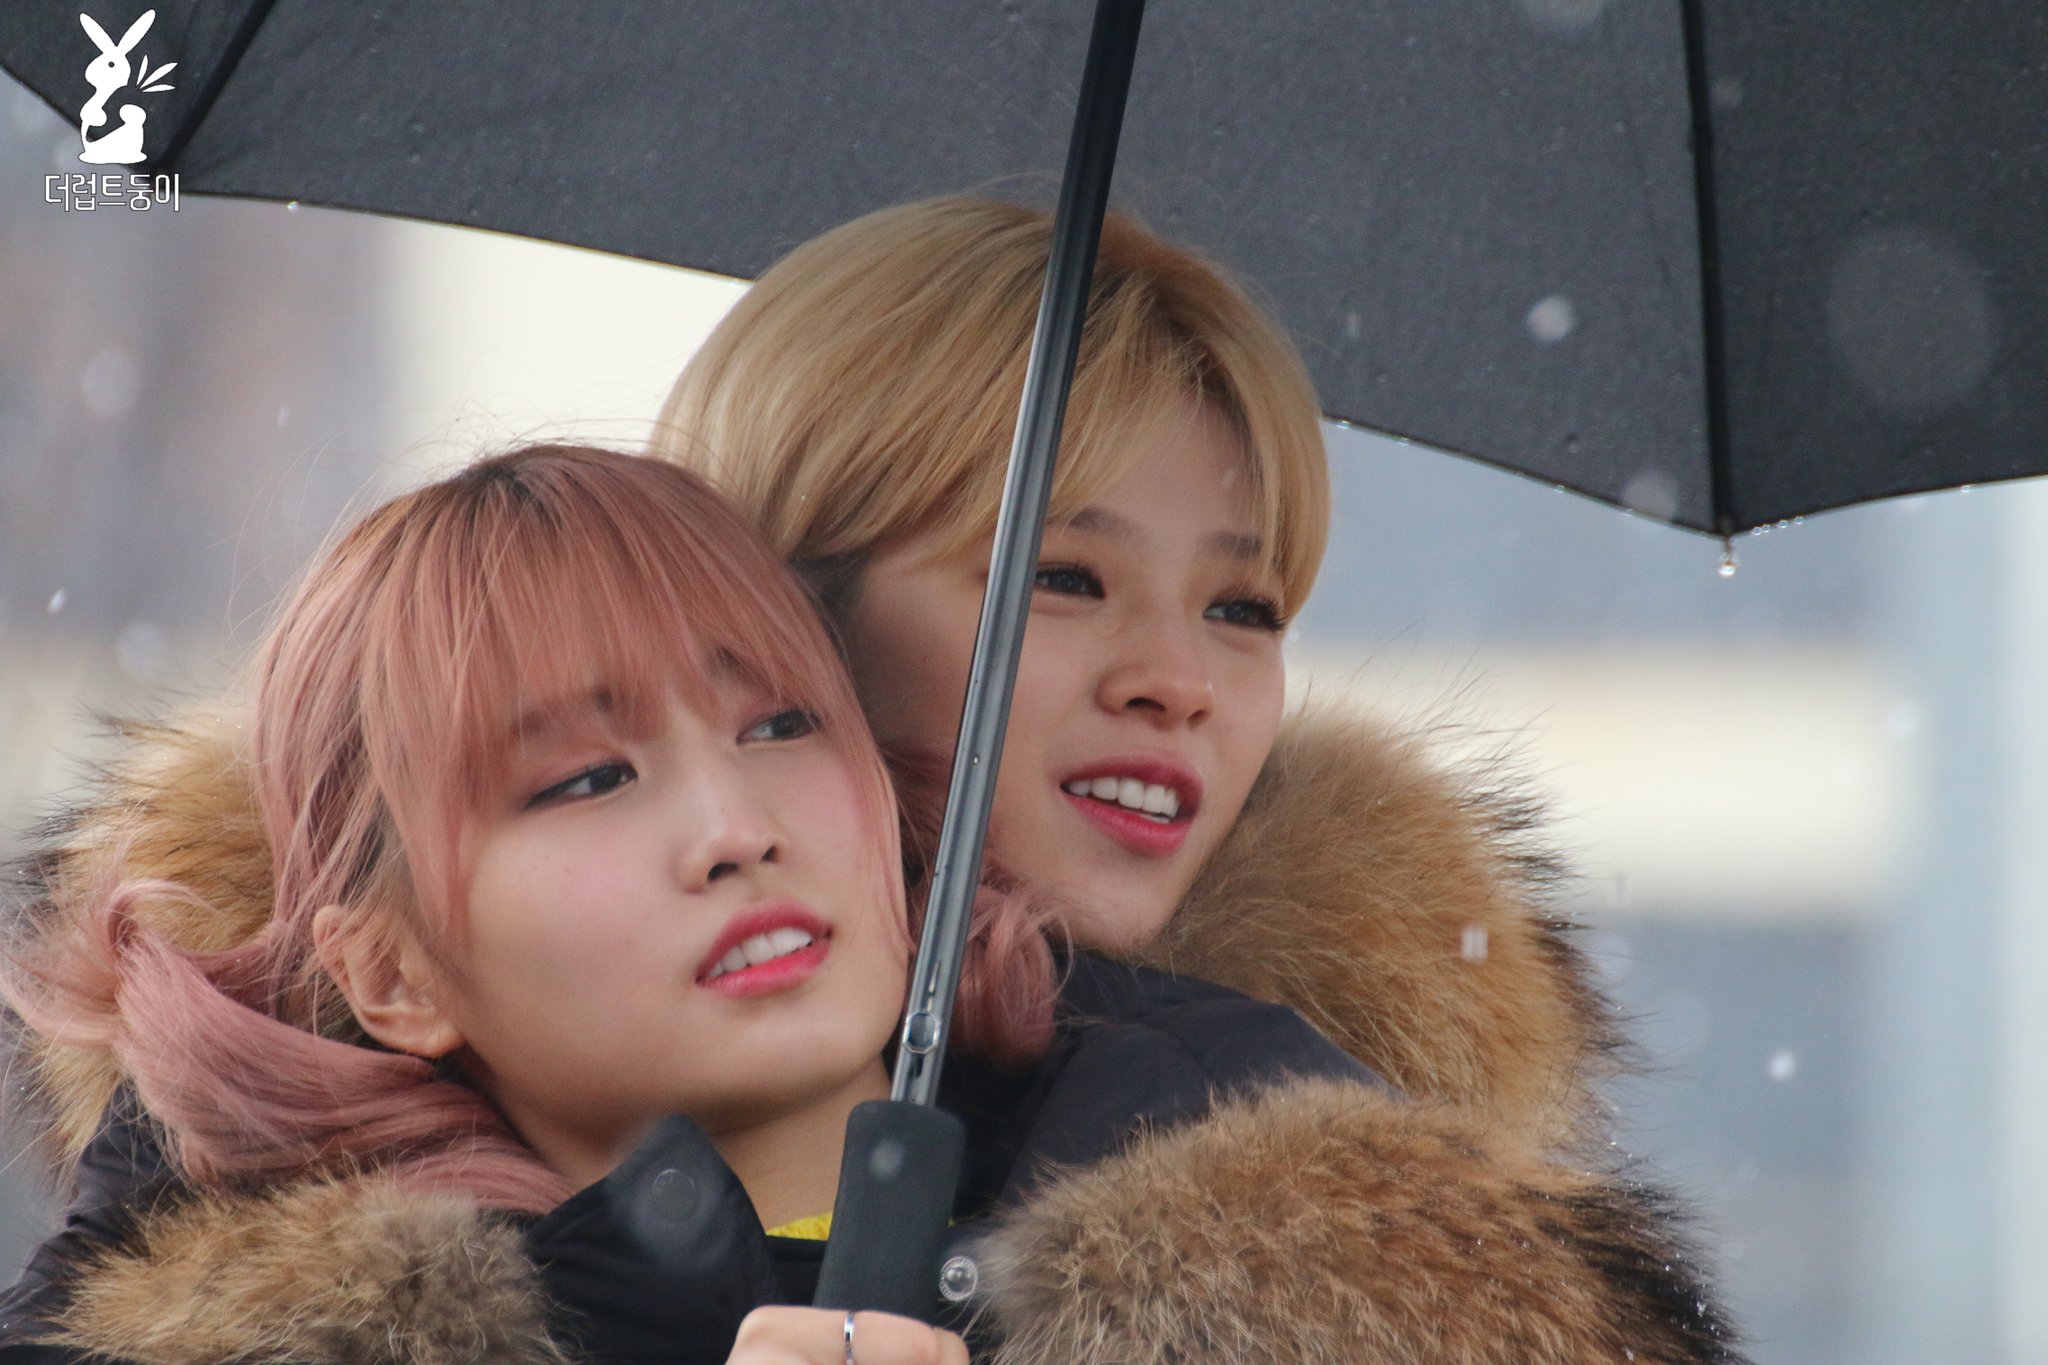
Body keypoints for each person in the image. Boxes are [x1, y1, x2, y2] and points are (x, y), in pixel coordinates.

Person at [0, 445, 1739, 1363]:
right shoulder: (204, 1311)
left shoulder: (1303, 1252)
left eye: (778, 725)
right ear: (389, 973)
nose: (733, 827)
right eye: (586, 778)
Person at [648, 195, 1747, 1358]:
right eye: (1065, 578)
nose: (1178, 681)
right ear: (780, 614)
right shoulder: (528, 1141)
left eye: (1241, 610)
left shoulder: (1336, 1256)